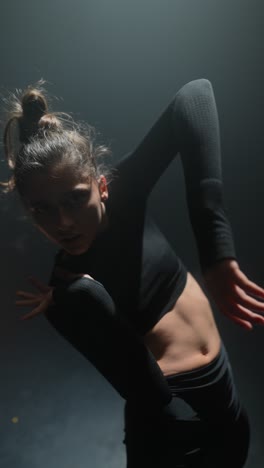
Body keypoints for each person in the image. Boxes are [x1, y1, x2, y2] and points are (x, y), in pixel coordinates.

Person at [2, 78, 264, 467]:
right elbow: (140, 386)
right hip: (172, 426)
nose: (63, 222)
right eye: (43, 209)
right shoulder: (68, 284)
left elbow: (195, 95)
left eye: (75, 199)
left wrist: (217, 251)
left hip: (227, 401)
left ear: (101, 186)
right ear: (29, 211)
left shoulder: (126, 196)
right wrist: (71, 302)